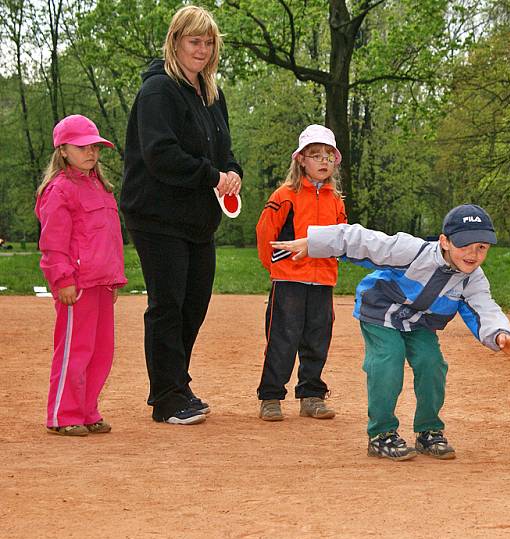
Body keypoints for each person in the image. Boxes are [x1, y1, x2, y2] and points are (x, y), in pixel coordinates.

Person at [271, 204, 510, 461]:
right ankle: (381, 434)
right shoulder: (412, 251)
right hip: (381, 312)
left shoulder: (473, 278)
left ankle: (429, 431)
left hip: (421, 323)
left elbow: (485, 308)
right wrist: (315, 242)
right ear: (445, 242)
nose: (473, 253)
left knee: (432, 364)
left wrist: (499, 335)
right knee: (388, 360)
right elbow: (361, 240)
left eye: (481, 247)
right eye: (465, 245)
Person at [120, 5, 243, 425]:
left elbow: (224, 152)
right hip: (156, 215)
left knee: (194, 303)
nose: (203, 50)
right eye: (195, 41)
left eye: (209, 43)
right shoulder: (157, 91)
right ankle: (167, 398)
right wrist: (212, 175)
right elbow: (160, 155)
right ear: (175, 42)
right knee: (167, 305)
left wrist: (233, 174)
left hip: (197, 219)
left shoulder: (211, 94)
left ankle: (179, 382)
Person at [35, 115, 127, 436]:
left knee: (101, 351)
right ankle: (64, 414)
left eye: (95, 147)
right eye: (82, 147)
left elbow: (110, 239)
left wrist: (115, 277)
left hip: (103, 282)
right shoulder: (59, 190)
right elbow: (53, 241)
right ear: (63, 151)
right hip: (78, 285)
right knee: (75, 350)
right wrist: (62, 279)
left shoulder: (102, 187)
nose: (91, 152)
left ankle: (88, 410)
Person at [254, 125, 347, 422]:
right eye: (315, 155)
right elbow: (265, 231)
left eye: (328, 156)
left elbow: (342, 237)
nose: (323, 161)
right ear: (301, 160)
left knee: (318, 338)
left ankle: (312, 395)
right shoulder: (285, 195)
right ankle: (270, 396)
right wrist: (276, 267)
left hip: (322, 281)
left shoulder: (336, 200)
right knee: (283, 338)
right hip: (289, 280)